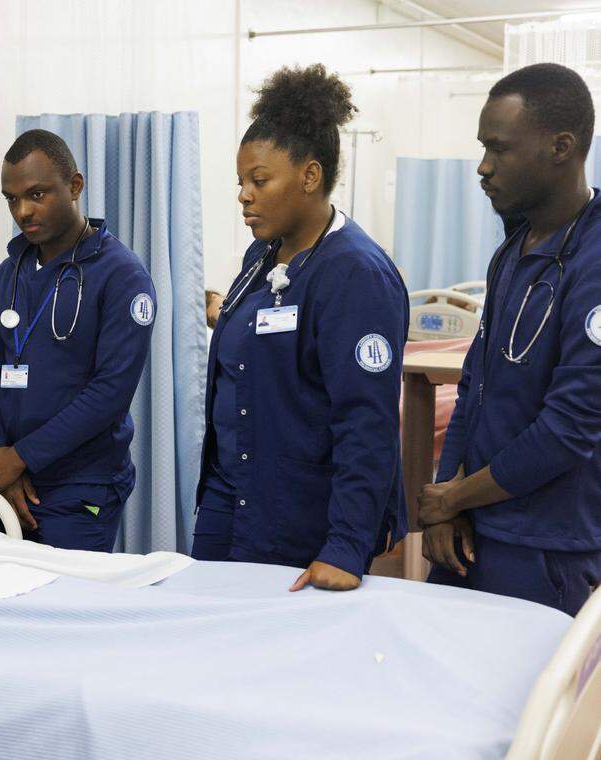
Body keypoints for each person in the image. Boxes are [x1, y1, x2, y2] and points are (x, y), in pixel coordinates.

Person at [193, 64, 409, 592]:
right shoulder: (262, 255)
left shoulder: (356, 274)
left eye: (259, 180)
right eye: (241, 182)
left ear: (310, 176)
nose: (244, 195)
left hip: (300, 516)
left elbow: (366, 421)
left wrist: (346, 546)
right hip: (232, 496)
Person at [418, 63, 601, 616]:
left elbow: (569, 428)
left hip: (546, 545)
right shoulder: (514, 249)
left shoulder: (593, 260)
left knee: (522, 702)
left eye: (499, 149)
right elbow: (475, 383)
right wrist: (447, 500)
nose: (482, 166)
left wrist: (452, 497)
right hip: (474, 525)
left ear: (561, 147)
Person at [0, 129, 157, 552]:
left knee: (69, 608)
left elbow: (109, 392)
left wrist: (20, 458)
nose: (23, 211)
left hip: (82, 485)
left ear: (74, 186)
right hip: (9, 483)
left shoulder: (121, 275)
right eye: (11, 199)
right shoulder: (8, 275)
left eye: (37, 195)